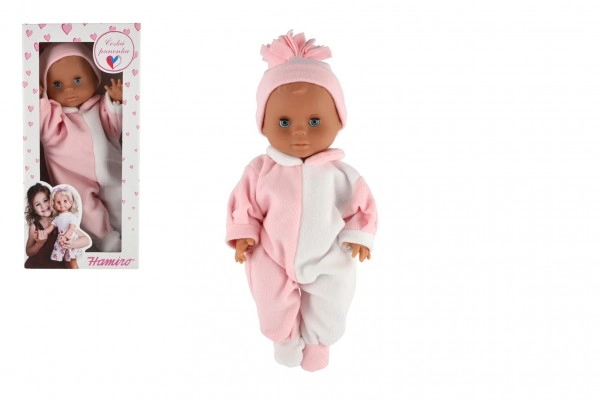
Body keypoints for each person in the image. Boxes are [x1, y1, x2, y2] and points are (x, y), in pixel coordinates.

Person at [226, 31, 378, 371]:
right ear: (263, 124)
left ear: (339, 120)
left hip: (327, 253)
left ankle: (319, 342)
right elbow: (243, 203)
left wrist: (360, 236)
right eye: (284, 122)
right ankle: (284, 340)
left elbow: (362, 207)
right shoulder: (261, 170)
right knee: (269, 299)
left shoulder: (342, 176)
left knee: (333, 297)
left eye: (314, 121)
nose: (299, 132)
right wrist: (244, 233)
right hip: (272, 253)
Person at [39, 42, 122, 252]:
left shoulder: (100, 105)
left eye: (77, 80)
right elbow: (44, 127)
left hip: (111, 168)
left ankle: (129, 229)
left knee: (121, 198)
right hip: (75, 177)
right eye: (57, 84)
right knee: (85, 210)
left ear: (95, 77)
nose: (68, 89)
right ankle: (107, 240)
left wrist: (115, 101)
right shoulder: (56, 116)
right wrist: (40, 100)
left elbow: (115, 128)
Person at [24, 182, 89, 269]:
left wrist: (72, 243)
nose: (43, 206)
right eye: (37, 204)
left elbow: (86, 240)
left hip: (58, 267)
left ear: (52, 200)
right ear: (34, 209)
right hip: (38, 266)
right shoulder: (35, 226)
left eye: (45, 200)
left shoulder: (62, 221)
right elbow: (28, 252)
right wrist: (39, 244)